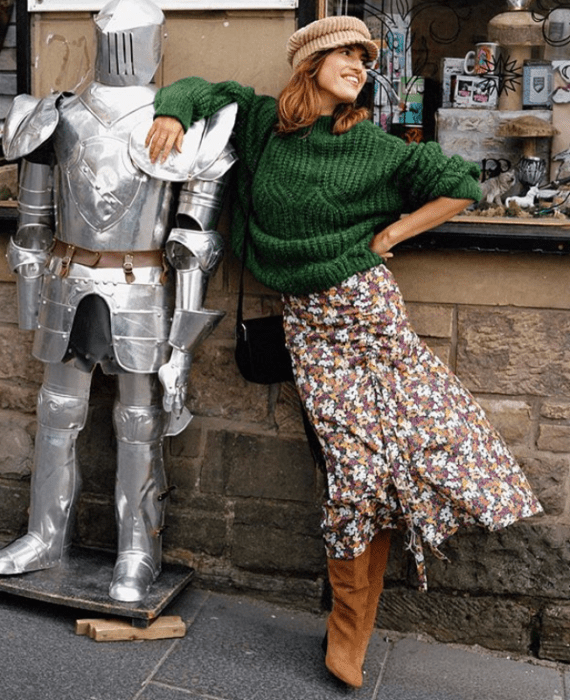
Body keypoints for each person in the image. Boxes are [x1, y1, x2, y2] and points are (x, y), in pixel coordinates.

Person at [147, 16, 542, 689]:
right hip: (309, 326)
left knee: (426, 446)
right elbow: (196, 87)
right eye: (346, 54)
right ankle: (349, 623)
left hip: (369, 313)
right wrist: (170, 118)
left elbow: (459, 183)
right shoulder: (263, 120)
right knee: (355, 472)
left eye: (365, 56)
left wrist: (393, 233)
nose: (359, 64)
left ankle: (351, 628)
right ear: (310, 62)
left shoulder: (370, 144)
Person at [0, 0, 236, 604]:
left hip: (143, 285)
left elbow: (192, 245)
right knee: (56, 413)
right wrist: (33, 299)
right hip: (69, 280)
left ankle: (138, 551)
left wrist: (181, 348)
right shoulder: (53, 114)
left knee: (140, 422)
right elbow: (34, 222)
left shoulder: (190, 121)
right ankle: (43, 537)